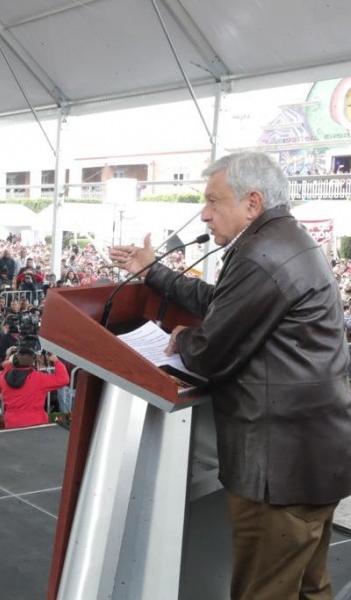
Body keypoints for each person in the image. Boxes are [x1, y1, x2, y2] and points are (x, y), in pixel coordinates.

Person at [110, 152, 351, 600]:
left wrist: (183, 339)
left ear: (252, 202)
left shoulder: (263, 254)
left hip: (278, 472)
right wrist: (153, 272)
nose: (204, 213)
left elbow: (210, 354)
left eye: (213, 202)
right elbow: (221, 300)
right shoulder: (283, 240)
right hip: (311, 462)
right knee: (309, 589)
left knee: (264, 592)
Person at [0, 347, 68, 428]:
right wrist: (56, 361)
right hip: (35, 421)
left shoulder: (3, 377)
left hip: (12, 421)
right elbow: (63, 379)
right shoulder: (38, 378)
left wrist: (9, 364)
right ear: (33, 362)